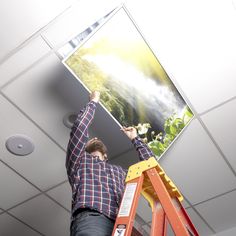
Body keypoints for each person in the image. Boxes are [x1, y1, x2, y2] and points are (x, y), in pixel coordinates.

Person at [66, 91, 155, 236]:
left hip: (122, 225)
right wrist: (93, 102)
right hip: (93, 218)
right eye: (90, 139)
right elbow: (79, 129)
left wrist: (135, 139)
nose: (95, 138)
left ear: (106, 155)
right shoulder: (79, 162)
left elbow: (151, 168)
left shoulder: (121, 172)